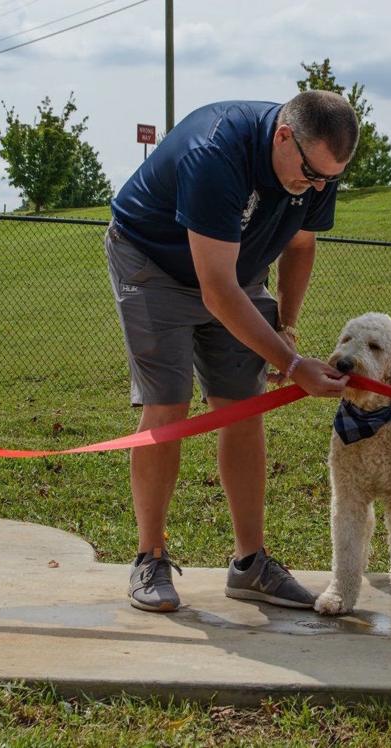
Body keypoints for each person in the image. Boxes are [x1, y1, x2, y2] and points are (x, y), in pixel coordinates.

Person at [105, 91, 359, 612]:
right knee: (168, 405)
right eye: (312, 174)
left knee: (243, 408)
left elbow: (301, 245)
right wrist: (292, 365)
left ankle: (250, 565)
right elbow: (216, 292)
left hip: (236, 270)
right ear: (283, 137)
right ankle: (150, 557)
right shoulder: (215, 152)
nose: (317, 187)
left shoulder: (316, 168)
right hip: (153, 263)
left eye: (329, 180)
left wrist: (286, 328)